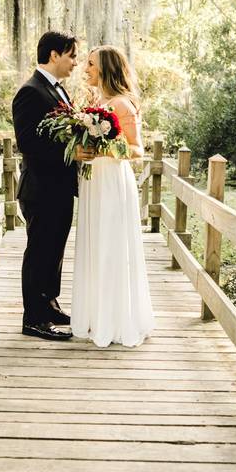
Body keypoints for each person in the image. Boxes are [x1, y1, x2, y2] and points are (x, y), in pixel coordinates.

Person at [11, 30, 95, 340]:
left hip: (59, 187)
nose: (75, 62)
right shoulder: (30, 92)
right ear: (54, 55)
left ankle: (48, 304)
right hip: (41, 188)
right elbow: (28, 144)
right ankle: (33, 318)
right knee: (40, 251)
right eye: (72, 55)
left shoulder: (58, 91)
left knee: (55, 250)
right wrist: (72, 151)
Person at [71, 45, 155, 347]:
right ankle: (95, 316)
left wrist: (106, 148)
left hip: (113, 182)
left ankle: (117, 320)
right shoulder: (95, 101)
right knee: (95, 244)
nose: (86, 69)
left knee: (111, 246)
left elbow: (137, 150)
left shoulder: (122, 104)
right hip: (93, 182)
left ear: (106, 68)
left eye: (91, 64)